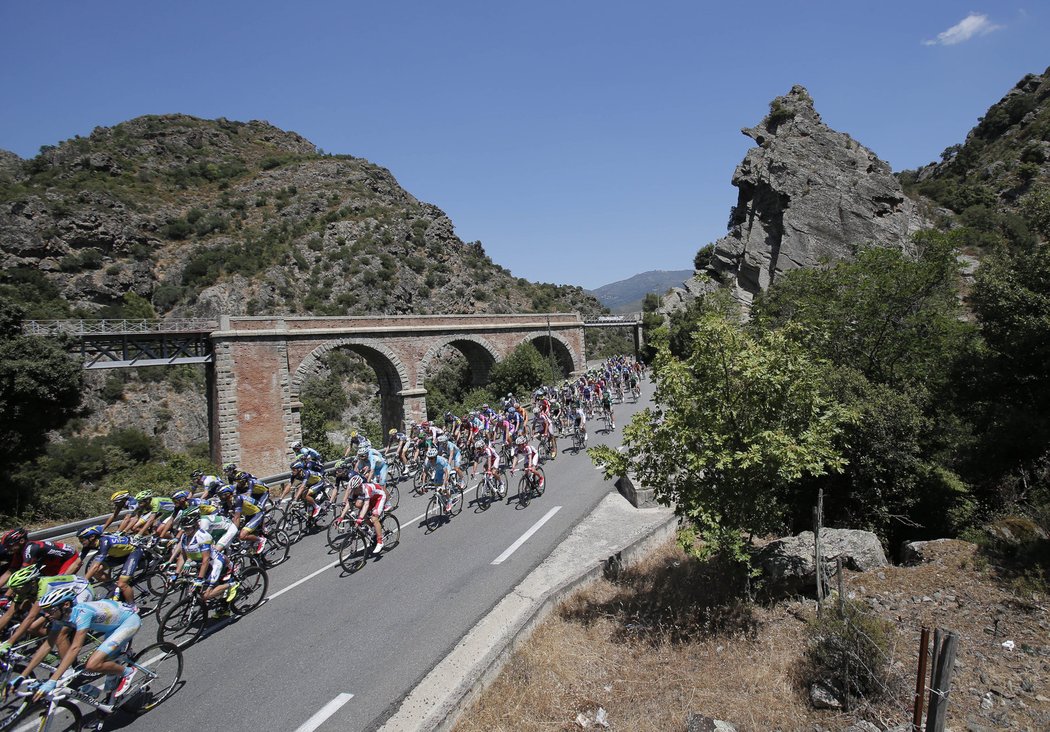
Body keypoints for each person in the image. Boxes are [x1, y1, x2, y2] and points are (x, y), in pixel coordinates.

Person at [15, 587, 141, 701]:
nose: (47, 615)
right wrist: (23, 675)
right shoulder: (61, 617)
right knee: (106, 667)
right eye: (45, 611)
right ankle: (110, 699)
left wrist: (53, 679)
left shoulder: (82, 614)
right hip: (112, 627)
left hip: (128, 622)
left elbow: (75, 648)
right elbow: (47, 646)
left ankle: (128, 672)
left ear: (66, 604)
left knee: (92, 664)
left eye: (50, 610)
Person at [0, 566, 94, 652]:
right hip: (61, 597)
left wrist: (9, 642)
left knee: (60, 634)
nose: (15, 592)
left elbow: (31, 617)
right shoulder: (24, 590)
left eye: (18, 589)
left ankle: (70, 665)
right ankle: (58, 642)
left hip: (82, 590)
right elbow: (8, 614)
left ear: (31, 583)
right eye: (14, 589)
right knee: (32, 628)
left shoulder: (44, 586)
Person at [77, 525, 142, 606]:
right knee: (96, 572)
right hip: (119, 555)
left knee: (122, 584)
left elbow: (95, 566)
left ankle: (132, 606)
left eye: (82, 539)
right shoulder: (89, 544)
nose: (81, 542)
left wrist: (83, 583)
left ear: (92, 537)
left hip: (132, 552)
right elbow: (76, 563)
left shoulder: (104, 542)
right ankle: (113, 589)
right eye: (80, 540)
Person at [347, 480, 387, 554]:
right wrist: (341, 517)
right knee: (363, 517)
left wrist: (360, 518)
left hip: (380, 497)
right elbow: (348, 504)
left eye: (356, 488)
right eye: (353, 489)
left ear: (360, 486)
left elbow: (366, 505)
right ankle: (374, 529)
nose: (354, 491)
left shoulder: (366, 489)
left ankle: (380, 542)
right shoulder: (354, 490)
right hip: (372, 499)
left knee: (374, 518)